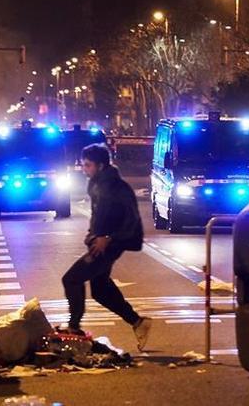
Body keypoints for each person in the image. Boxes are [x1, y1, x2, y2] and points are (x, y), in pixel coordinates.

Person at [61, 144, 152, 349]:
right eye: (83, 165)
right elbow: (99, 214)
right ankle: (138, 322)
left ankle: (74, 326)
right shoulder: (95, 184)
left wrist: (108, 237)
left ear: (101, 166)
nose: (84, 169)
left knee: (71, 279)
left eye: (88, 165)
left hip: (111, 244)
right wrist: (93, 233)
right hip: (99, 241)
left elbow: (131, 221)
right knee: (100, 290)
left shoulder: (118, 188)